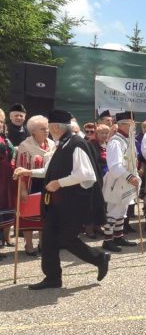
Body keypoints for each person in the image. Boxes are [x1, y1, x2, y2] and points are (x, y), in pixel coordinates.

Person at [13, 109, 111, 289]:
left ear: (57, 127)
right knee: (49, 238)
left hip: (71, 203)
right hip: (56, 204)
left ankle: (99, 258)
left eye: (49, 127)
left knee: (67, 238)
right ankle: (52, 278)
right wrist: (28, 172)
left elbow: (86, 174)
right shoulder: (61, 145)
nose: (49, 131)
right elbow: (47, 171)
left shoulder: (76, 144)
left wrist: (59, 183)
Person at [15, 115, 55, 255]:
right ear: (33, 132)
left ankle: (43, 243)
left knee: (45, 215)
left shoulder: (52, 144)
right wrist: (23, 190)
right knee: (29, 214)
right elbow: (20, 170)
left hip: (47, 184)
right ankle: (29, 244)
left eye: (47, 128)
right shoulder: (25, 147)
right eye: (42, 129)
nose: (47, 131)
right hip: (31, 183)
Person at [100, 111, 140, 252]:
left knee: (122, 209)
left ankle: (118, 236)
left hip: (126, 180)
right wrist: (130, 177)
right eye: (132, 125)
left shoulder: (128, 139)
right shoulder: (116, 142)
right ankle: (108, 240)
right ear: (123, 125)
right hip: (118, 180)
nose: (134, 128)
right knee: (113, 210)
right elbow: (114, 165)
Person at [0, 109, 16, 251]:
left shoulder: (5, 138)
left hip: (6, 175)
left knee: (7, 204)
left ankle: (6, 237)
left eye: (1, 121)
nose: (0, 123)